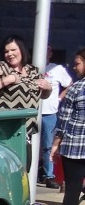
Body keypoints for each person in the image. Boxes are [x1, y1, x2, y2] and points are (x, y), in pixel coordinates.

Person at [50, 48, 85, 205]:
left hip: (74, 145)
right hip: (76, 145)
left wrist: (56, 144)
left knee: (72, 188)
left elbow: (63, 120)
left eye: (78, 63)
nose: (74, 67)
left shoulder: (75, 88)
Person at [0, 36, 51, 112]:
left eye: (13, 50)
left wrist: (48, 89)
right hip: (4, 118)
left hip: (29, 119)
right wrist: (9, 79)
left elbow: (42, 96)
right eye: (6, 51)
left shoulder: (33, 71)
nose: (9, 54)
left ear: (22, 50)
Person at [40, 47, 74, 188]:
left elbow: (69, 84)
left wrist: (59, 98)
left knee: (49, 146)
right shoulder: (30, 67)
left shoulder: (57, 69)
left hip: (49, 112)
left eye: (48, 50)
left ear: (51, 53)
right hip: (32, 112)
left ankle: (49, 175)